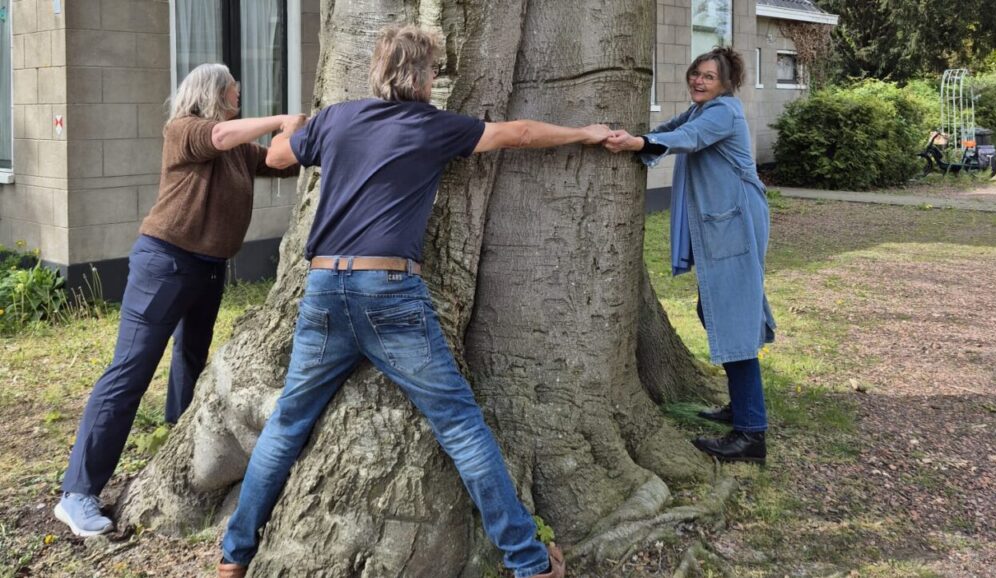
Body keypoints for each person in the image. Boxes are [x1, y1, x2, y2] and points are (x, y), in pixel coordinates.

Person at [216, 24, 610, 578]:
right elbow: (518, 132)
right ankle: (529, 561)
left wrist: (304, 125)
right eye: (433, 70)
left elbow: (279, 156)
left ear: (377, 71)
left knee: (287, 423)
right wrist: (586, 134)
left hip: (326, 287)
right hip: (390, 293)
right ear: (423, 76)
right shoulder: (433, 126)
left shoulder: (337, 118)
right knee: (459, 424)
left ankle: (234, 558)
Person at [55, 63, 305, 537]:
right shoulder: (184, 131)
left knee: (191, 362)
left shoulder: (236, 152)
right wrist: (279, 120)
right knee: (130, 370)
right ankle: (77, 494)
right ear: (213, 94)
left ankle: (179, 441)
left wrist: (313, 134)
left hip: (207, 269)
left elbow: (278, 161)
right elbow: (220, 136)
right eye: (234, 90)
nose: (239, 95)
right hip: (164, 263)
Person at [604, 47, 775, 463]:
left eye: (709, 77)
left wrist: (641, 143)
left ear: (726, 83)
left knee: (733, 318)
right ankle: (741, 405)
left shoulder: (723, 113)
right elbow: (672, 127)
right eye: (696, 73)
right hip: (724, 219)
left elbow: (686, 140)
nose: (699, 81)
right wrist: (635, 139)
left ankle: (751, 435)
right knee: (713, 309)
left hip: (735, 220)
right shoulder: (703, 109)